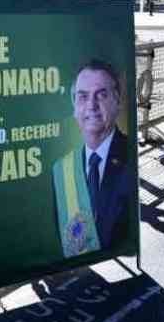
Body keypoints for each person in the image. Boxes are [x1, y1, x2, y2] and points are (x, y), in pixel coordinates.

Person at [53, 59, 134, 257]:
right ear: (74, 106)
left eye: (102, 95)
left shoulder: (131, 158)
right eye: (83, 96)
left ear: (117, 100)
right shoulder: (60, 170)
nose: (91, 105)